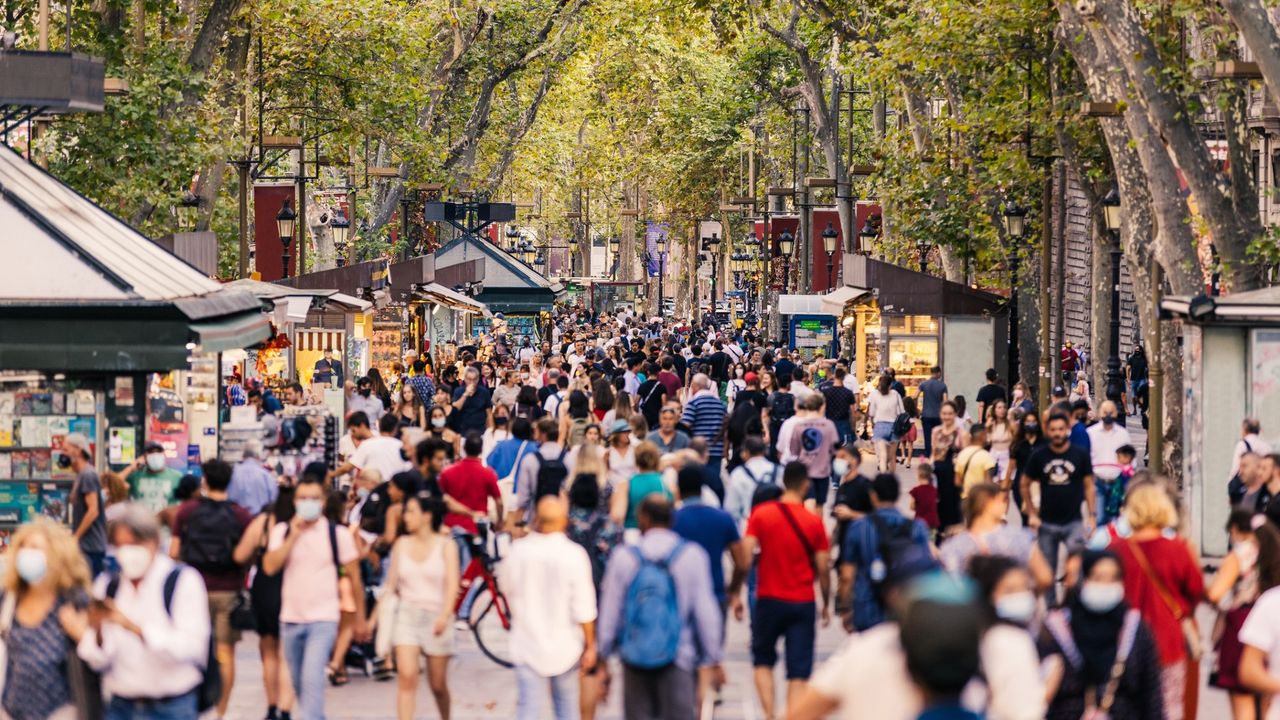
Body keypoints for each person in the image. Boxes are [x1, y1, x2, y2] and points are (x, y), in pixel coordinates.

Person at [73, 505, 211, 720]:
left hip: (172, 707)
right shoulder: (109, 585)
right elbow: (97, 659)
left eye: (134, 544)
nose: (127, 552)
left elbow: (191, 648)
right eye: (120, 545)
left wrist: (134, 628)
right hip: (121, 705)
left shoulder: (182, 581)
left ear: (154, 542)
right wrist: (97, 629)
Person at [597, 496, 723, 720]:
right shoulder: (691, 555)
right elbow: (706, 613)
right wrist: (712, 657)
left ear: (643, 519)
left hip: (634, 657)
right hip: (679, 657)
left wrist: (603, 656)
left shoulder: (624, 557)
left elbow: (610, 612)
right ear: (671, 519)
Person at [263, 474, 368, 720]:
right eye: (302, 498)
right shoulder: (282, 531)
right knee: (299, 682)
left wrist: (360, 618)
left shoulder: (337, 535)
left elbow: (355, 578)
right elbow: (269, 567)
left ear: (322, 501)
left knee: (312, 677)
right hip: (290, 618)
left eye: (313, 498)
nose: (308, 503)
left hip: (323, 618)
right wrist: (293, 536)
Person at [1107, 483, 1205, 720]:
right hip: (1167, 640)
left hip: (1123, 641)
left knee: (1125, 706)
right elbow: (1196, 590)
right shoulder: (1177, 549)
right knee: (1168, 705)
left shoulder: (1115, 549)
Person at [743, 462, 831, 720]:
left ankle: (769, 714)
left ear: (784, 482)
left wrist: (737, 591)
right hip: (802, 601)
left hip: (768, 598)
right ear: (805, 485)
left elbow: (746, 556)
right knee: (798, 671)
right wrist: (826, 602)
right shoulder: (814, 522)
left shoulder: (761, 515)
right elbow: (824, 568)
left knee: (762, 661)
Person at [170, 459, 253, 719]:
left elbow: (173, 553)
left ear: (204, 480)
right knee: (225, 652)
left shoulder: (187, 511)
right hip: (228, 590)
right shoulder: (241, 515)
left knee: (192, 649)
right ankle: (221, 712)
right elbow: (246, 555)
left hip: (193, 591)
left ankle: (195, 708)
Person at [1038, 550, 1164, 720]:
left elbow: (1152, 695)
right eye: (1098, 578)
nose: (1105, 585)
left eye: (1113, 579)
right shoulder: (1057, 631)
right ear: (1083, 580)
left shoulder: (1135, 630)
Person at [503, 497, 597, 720]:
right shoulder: (574, 554)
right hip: (566, 646)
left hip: (527, 643)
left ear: (536, 520)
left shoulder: (517, 552)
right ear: (564, 521)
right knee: (566, 709)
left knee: (528, 708)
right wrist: (590, 645)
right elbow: (584, 608)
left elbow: (506, 589)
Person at [0, 519, 94, 720]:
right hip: (12, 709)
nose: (26, 553)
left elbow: (99, 657)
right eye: (23, 546)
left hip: (61, 711)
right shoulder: (9, 598)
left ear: (56, 555)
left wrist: (83, 636)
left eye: (35, 548)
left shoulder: (74, 600)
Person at [382, 491, 459, 720]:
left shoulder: (446, 546)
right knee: (407, 676)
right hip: (407, 615)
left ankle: (446, 716)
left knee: (437, 684)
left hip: (436, 617)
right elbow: (391, 585)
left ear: (427, 516)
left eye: (411, 512)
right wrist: (374, 618)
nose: (405, 517)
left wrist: (444, 616)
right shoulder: (401, 544)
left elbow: (452, 585)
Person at [232, 483, 297, 720]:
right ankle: (286, 708)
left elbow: (240, 555)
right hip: (295, 586)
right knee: (286, 654)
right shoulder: (303, 524)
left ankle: (271, 707)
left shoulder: (265, 521)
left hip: (266, 586)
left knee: (268, 650)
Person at [839, 473, 932, 633]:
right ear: (897, 495)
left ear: (873, 496)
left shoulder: (859, 527)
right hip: (905, 609)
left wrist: (845, 607)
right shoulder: (917, 527)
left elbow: (847, 575)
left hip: (867, 607)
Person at [1206, 510, 1276, 720]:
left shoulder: (1240, 555)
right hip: (1270, 626)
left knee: (1242, 698)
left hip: (1241, 627)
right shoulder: (1274, 550)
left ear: (1236, 530)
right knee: (1267, 699)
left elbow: (1215, 593)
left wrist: (1224, 601)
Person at [1023, 411, 1096, 606]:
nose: (1057, 433)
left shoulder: (1079, 454)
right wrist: (1031, 513)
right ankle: (1051, 611)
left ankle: (1074, 605)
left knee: (1076, 567)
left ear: (1067, 430)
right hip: (1047, 522)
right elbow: (1024, 483)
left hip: (1074, 522)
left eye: (1061, 429)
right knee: (1047, 572)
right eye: (1053, 430)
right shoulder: (1039, 455)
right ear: (1047, 430)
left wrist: (1092, 515)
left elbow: (1089, 485)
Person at [967, 556, 1049, 720]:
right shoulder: (1011, 640)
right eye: (1009, 590)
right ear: (989, 595)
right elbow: (1026, 711)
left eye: (1025, 588)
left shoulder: (976, 635)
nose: (1021, 596)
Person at [939, 482, 1053, 589]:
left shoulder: (952, 546)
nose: (1005, 505)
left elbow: (949, 586)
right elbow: (1044, 578)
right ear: (988, 503)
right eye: (1002, 500)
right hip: (1013, 605)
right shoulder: (1020, 537)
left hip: (970, 607)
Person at [438, 431, 503, 569]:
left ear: (464, 449)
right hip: (477, 527)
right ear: (480, 450)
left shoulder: (448, 473)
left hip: (451, 527)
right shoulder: (487, 473)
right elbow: (499, 501)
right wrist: (499, 521)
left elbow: (441, 499)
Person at [777, 393, 839, 507]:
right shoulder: (829, 425)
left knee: (806, 503)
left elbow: (793, 450)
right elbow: (834, 449)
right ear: (821, 407)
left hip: (804, 472)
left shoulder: (799, 426)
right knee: (820, 505)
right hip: (823, 471)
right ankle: (817, 524)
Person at [62, 432, 106, 578]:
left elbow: (93, 511)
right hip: (85, 547)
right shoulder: (81, 475)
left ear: (78, 451)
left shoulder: (88, 475)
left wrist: (76, 537)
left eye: (66, 450)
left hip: (91, 548)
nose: (63, 454)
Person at [680, 373, 729, 502]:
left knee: (698, 483)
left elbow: (685, 426)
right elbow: (725, 427)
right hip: (716, 449)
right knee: (713, 482)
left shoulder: (693, 403)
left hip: (697, 451)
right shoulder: (720, 405)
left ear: (696, 386)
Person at [329, 413, 411, 487]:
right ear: (395, 429)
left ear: (380, 426)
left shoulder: (368, 444)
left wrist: (329, 475)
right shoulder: (401, 446)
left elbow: (347, 468)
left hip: (374, 489)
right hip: (395, 489)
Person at [611, 440, 672, 536]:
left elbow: (617, 516)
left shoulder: (626, 485)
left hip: (632, 535)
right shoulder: (667, 483)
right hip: (661, 535)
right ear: (656, 458)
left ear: (636, 459)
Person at [1088, 400, 1133, 524]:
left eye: (1111, 412)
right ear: (1099, 413)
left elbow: (1130, 458)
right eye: (1105, 412)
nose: (1108, 415)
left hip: (1117, 483)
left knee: (1116, 518)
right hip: (1097, 482)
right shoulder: (1091, 433)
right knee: (1100, 518)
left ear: (1116, 414)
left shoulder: (1123, 434)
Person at [725, 435, 781, 531]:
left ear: (745, 453)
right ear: (764, 451)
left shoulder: (738, 474)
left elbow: (731, 509)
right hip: (776, 525)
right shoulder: (779, 471)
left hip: (748, 526)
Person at [931, 401, 968, 534]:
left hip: (954, 476)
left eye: (950, 414)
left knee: (953, 509)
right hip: (938, 474)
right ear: (940, 414)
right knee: (938, 508)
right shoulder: (936, 431)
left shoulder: (961, 433)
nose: (947, 416)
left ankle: (954, 537)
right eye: (944, 413)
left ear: (955, 414)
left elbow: (966, 456)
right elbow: (933, 453)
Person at [1005, 411, 1045, 524]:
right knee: (1026, 517)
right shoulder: (1018, 445)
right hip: (1021, 485)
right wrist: (1005, 490)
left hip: (1040, 484)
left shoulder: (1044, 443)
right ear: (1023, 424)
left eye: (1033, 421)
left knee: (1041, 518)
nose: (1031, 424)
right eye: (1028, 421)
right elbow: (1010, 468)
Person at [126, 442, 185, 514]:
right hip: (141, 522)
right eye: (151, 452)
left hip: (166, 523)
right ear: (144, 456)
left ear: (164, 454)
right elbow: (114, 484)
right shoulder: (135, 477)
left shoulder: (177, 476)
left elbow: (184, 503)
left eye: (158, 452)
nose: (155, 455)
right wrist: (131, 468)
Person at [867, 373, 906, 473]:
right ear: (890, 385)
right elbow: (901, 412)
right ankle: (891, 478)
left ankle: (884, 477)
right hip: (894, 427)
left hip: (880, 426)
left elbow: (871, 413)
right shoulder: (895, 394)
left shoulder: (875, 394)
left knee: (883, 454)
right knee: (892, 456)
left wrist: (871, 422)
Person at [229, 440, 278, 514]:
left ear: (243, 455)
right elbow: (274, 501)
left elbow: (228, 498)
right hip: (259, 521)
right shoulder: (266, 476)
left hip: (237, 520)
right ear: (259, 456)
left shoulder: (233, 473)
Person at [954, 423, 996, 499]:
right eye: (986, 434)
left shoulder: (962, 454)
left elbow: (957, 481)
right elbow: (988, 482)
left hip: (966, 497)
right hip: (981, 499)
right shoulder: (986, 456)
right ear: (982, 435)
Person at [451, 366, 494, 435]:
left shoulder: (484, 392)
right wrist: (465, 395)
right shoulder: (458, 391)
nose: (472, 382)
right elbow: (455, 409)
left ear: (478, 379)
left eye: (474, 379)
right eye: (469, 379)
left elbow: (489, 413)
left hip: (480, 431)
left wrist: (491, 430)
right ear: (465, 379)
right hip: (462, 431)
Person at [820, 367, 857, 445]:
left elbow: (822, 410)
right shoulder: (848, 393)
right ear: (843, 378)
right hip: (844, 425)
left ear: (834, 376)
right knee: (845, 450)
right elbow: (853, 412)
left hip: (830, 424)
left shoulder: (826, 392)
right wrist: (853, 427)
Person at [917, 366, 949, 459]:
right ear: (938, 373)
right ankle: (936, 456)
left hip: (926, 415)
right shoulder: (943, 386)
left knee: (927, 437)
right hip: (938, 416)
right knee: (938, 436)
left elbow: (915, 396)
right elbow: (946, 401)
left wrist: (916, 410)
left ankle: (928, 456)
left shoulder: (923, 384)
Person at [909, 462, 940, 537]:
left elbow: (912, 506)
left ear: (919, 475)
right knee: (931, 543)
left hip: (920, 522)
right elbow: (937, 502)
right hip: (932, 522)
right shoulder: (934, 490)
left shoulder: (916, 491)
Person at [1126, 344, 1148, 416]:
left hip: (1142, 379)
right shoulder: (1132, 358)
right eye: (1135, 349)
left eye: (1138, 349)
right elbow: (1128, 368)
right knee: (1133, 396)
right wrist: (1128, 378)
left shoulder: (1144, 359)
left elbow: (1148, 368)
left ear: (1141, 350)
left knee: (1141, 393)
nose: (1136, 350)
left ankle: (1142, 405)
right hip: (1133, 379)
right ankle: (1135, 409)